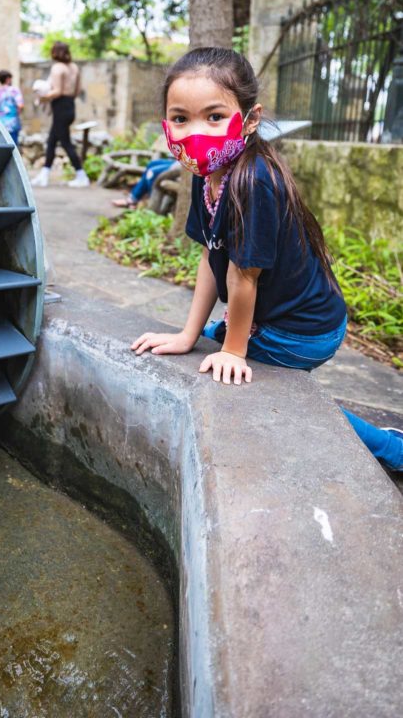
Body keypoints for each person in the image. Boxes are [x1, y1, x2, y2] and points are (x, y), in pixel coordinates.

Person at [130, 47, 403, 472]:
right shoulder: (209, 177)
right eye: (181, 119)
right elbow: (210, 253)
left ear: (250, 119)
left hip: (304, 329)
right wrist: (188, 334)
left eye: (215, 117)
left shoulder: (253, 181)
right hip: (280, 317)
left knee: (275, 392)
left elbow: (243, 279)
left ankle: (391, 449)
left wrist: (235, 351)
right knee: (210, 342)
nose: (195, 131)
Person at [32, 41, 89, 188]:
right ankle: (44, 174)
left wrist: (43, 98)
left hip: (60, 107)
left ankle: (81, 175)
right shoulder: (74, 67)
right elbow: (77, 91)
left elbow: (57, 91)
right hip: (70, 106)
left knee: (65, 142)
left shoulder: (58, 68)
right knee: (52, 141)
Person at [0, 69, 24, 146]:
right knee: (13, 148)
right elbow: (20, 105)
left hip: (1, 126)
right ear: (8, 79)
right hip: (13, 124)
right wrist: (17, 113)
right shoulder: (14, 90)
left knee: (3, 148)